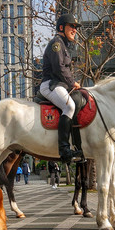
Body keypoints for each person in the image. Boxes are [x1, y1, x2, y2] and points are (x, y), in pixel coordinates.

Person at [40, 14, 83, 164]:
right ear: (61, 27)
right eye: (72, 26)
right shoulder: (56, 44)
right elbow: (59, 68)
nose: (74, 30)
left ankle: (78, 146)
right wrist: (72, 83)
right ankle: (64, 149)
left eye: (76, 28)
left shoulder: (64, 45)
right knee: (69, 106)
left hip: (60, 85)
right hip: (51, 85)